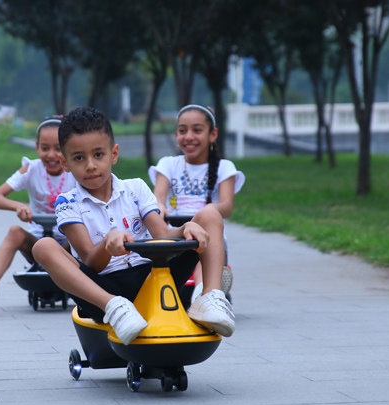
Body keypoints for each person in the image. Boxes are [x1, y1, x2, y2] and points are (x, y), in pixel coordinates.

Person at [32, 107, 234, 345]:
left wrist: (185, 229)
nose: (90, 165)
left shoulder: (135, 188)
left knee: (209, 215)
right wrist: (107, 244)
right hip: (102, 289)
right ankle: (115, 308)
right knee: (43, 246)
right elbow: (90, 261)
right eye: (79, 158)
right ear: (65, 163)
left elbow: (162, 235)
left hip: (153, 278)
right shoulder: (68, 202)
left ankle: (210, 297)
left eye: (98, 154)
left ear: (113, 154)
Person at [0, 115, 76, 316]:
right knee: (15, 232)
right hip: (37, 245)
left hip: (68, 243)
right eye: (45, 148)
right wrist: (17, 206)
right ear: (37, 147)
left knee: (85, 232)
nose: (51, 155)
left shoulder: (74, 170)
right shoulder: (31, 169)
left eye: (58, 148)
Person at [149, 104, 245, 300]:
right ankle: (202, 294)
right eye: (183, 131)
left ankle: (204, 293)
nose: (189, 137)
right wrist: (160, 208)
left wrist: (208, 211)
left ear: (212, 134)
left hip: (208, 233)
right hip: (176, 232)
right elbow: (158, 198)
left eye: (197, 130)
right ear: (176, 135)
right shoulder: (168, 164)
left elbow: (226, 207)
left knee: (204, 248)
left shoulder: (224, 167)